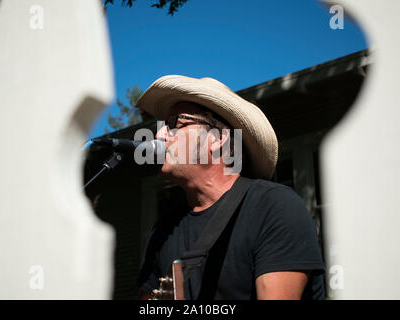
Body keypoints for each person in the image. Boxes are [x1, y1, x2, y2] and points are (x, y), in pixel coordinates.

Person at [136, 75, 325, 300]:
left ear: (218, 139)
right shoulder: (164, 229)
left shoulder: (274, 206)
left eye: (176, 123)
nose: (158, 135)